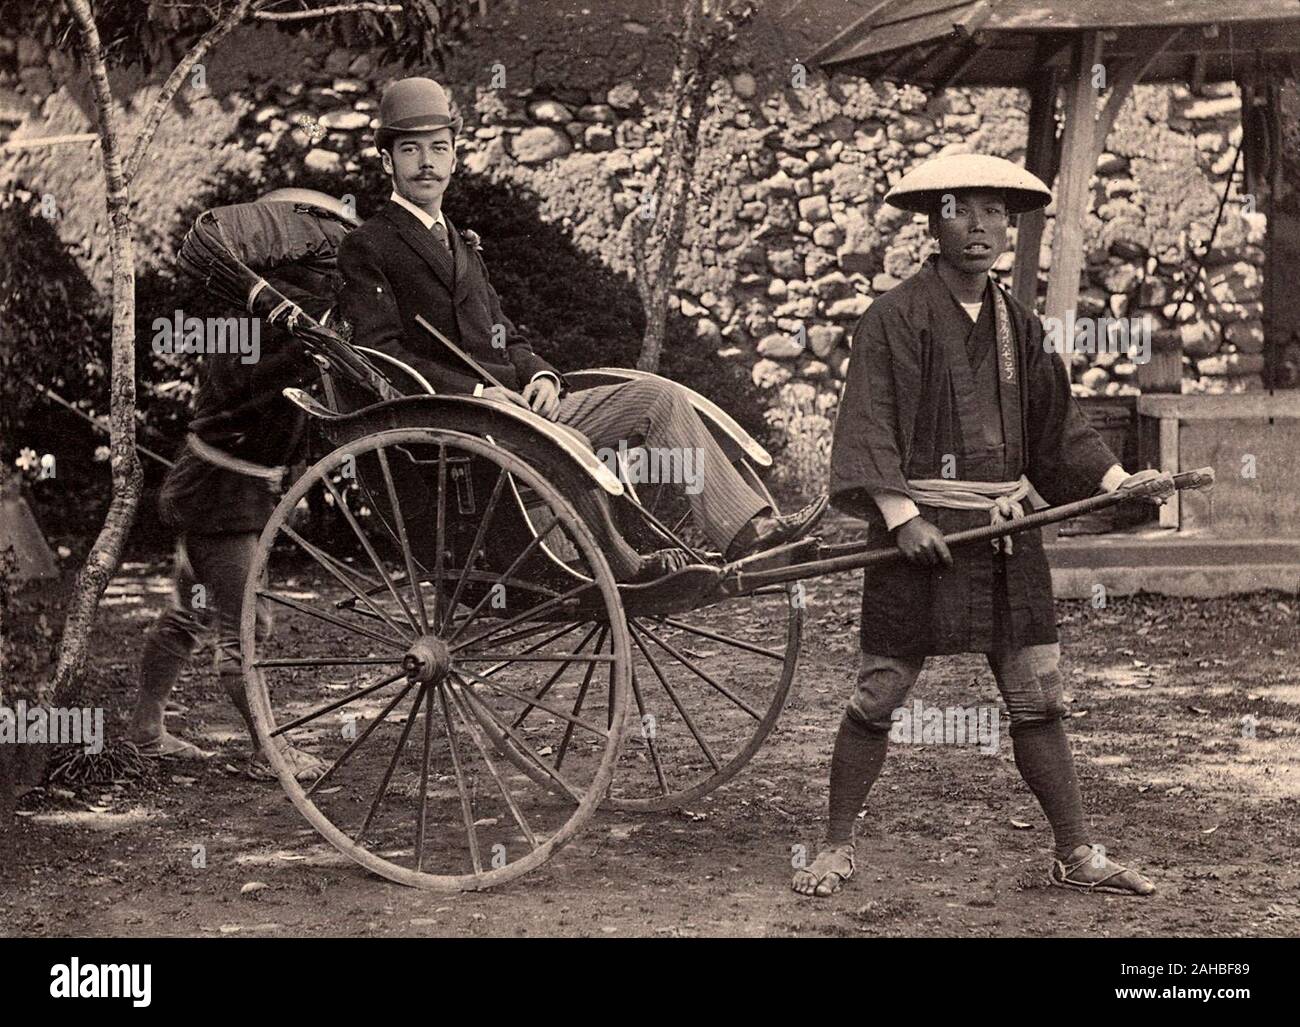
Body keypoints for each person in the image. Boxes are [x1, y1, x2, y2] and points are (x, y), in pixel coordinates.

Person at [792, 154, 1174, 899]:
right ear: (933, 223)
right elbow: (868, 423)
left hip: (1003, 532)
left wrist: (1119, 480)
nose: (980, 227)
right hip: (922, 533)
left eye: (995, 212)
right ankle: (835, 844)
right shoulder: (894, 317)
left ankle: (1075, 852)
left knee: (1038, 694)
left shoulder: (1018, 326)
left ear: (1010, 224)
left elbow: (1057, 428)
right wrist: (900, 517)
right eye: (961, 210)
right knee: (879, 690)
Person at [337, 77, 826, 582]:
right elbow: (380, 353)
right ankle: (622, 565)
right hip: (457, 421)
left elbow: (505, 332)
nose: (426, 162)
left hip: (521, 411)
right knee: (565, 441)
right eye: (410, 149)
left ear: (456, 157)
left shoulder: (460, 242)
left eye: (439, 148)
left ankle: (746, 531)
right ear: (386, 161)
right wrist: (479, 392)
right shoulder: (370, 245)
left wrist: (542, 376)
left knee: (657, 398)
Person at [125, 193, 354, 780]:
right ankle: (265, 750)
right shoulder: (266, 332)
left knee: (189, 612)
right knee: (247, 625)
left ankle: (146, 733)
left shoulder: (265, 326)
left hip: (223, 487)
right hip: (221, 494)